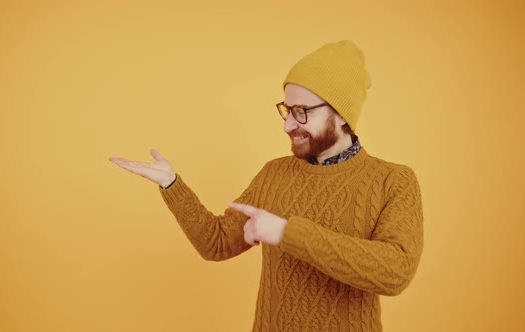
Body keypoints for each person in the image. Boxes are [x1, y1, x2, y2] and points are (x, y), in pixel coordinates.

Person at [110, 40, 423, 332]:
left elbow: (395, 272)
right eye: (287, 110)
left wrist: (287, 233)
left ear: (341, 114)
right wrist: (171, 184)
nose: (288, 125)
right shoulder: (274, 174)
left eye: (302, 112)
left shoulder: (393, 180)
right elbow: (217, 244)